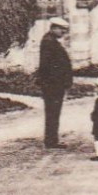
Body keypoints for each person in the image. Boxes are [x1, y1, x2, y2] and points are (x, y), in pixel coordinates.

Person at [36, 17, 73, 149]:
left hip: (54, 84)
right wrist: (56, 81)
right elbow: (47, 66)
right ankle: (51, 141)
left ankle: (52, 139)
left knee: (53, 112)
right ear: (54, 28)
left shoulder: (51, 41)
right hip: (52, 85)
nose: (64, 32)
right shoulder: (48, 42)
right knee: (53, 112)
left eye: (65, 30)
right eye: (62, 29)